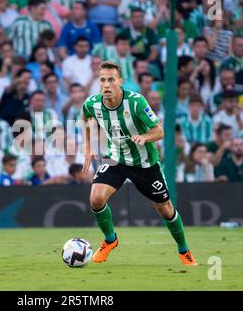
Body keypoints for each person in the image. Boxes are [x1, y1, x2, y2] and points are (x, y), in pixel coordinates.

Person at [81, 61, 196, 265]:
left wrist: (145, 137)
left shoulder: (136, 102)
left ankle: (184, 250)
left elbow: (159, 131)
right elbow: (86, 118)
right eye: (102, 80)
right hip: (115, 158)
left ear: (120, 82)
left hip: (145, 164)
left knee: (166, 209)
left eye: (111, 80)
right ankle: (110, 240)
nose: (106, 85)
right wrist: (88, 147)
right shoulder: (92, 103)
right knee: (96, 198)